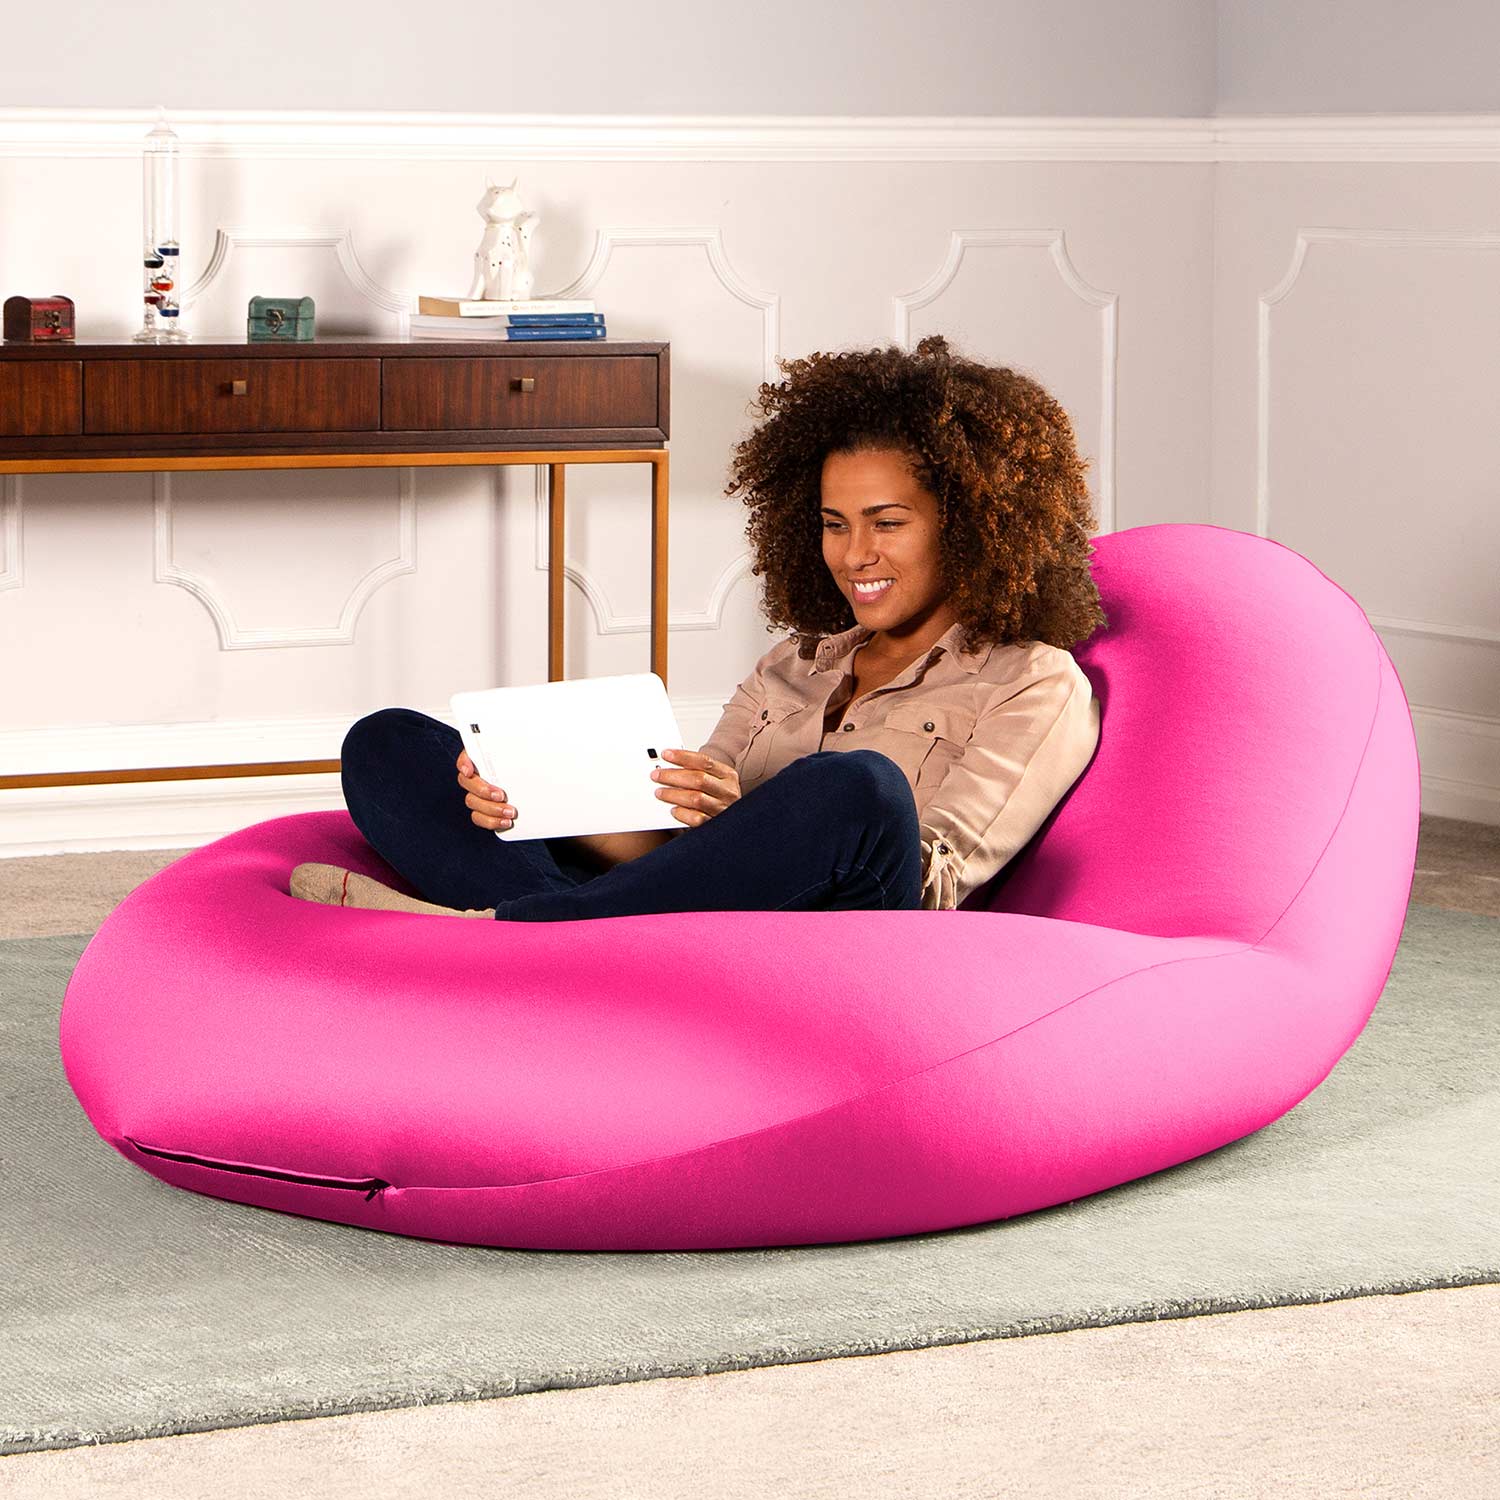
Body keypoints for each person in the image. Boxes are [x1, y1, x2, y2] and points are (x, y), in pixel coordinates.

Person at [289, 333, 1107, 922]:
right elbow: (670, 854)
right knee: (390, 743)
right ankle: (552, 930)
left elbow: (932, 883)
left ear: (972, 527)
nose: (854, 554)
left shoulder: (1032, 680)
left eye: (887, 523)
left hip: (848, 935)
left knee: (858, 789)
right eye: (833, 524)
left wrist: (756, 818)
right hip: (685, 919)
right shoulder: (795, 665)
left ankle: (513, 931)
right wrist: (533, 796)